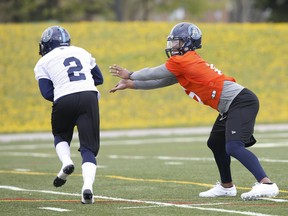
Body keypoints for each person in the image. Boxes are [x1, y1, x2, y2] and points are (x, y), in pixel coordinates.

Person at [109, 22, 279, 200]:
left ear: (189, 43)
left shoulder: (183, 60)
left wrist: (131, 74)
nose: (173, 46)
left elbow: (154, 73)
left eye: (178, 42)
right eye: (173, 42)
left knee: (233, 147)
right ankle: (226, 186)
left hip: (240, 101)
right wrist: (132, 84)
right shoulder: (184, 63)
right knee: (215, 142)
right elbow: (161, 81)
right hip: (231, 105)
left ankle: (266, 184)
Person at [34, 26, 103, 204]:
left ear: (48, 44)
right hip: (89, 96)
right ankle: (87, 187)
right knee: (89, 149)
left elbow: (46, 92)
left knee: (60, 135)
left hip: (64, 98)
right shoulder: (82, 51)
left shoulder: (43, 62)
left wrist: (63, 94)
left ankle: (66, 162)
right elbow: (99, 78)